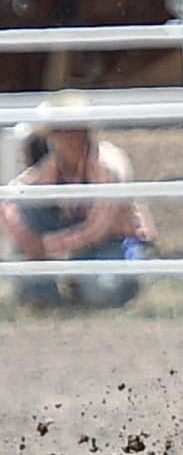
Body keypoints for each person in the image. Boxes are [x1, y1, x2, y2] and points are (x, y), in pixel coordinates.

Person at [1, 92, 156, 309]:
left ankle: (118, 281)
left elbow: (97, 230)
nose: (68, 137)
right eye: (59, 130)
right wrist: (25, 238)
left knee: (101, 294)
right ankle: (42, 291)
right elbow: (11, 195)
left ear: (86, 131)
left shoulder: (107, 165)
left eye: (74, 128)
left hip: (117, 241)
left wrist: (42, 246)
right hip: (81, 238)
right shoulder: (55, 165)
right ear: (51, 136)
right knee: (29, 210)